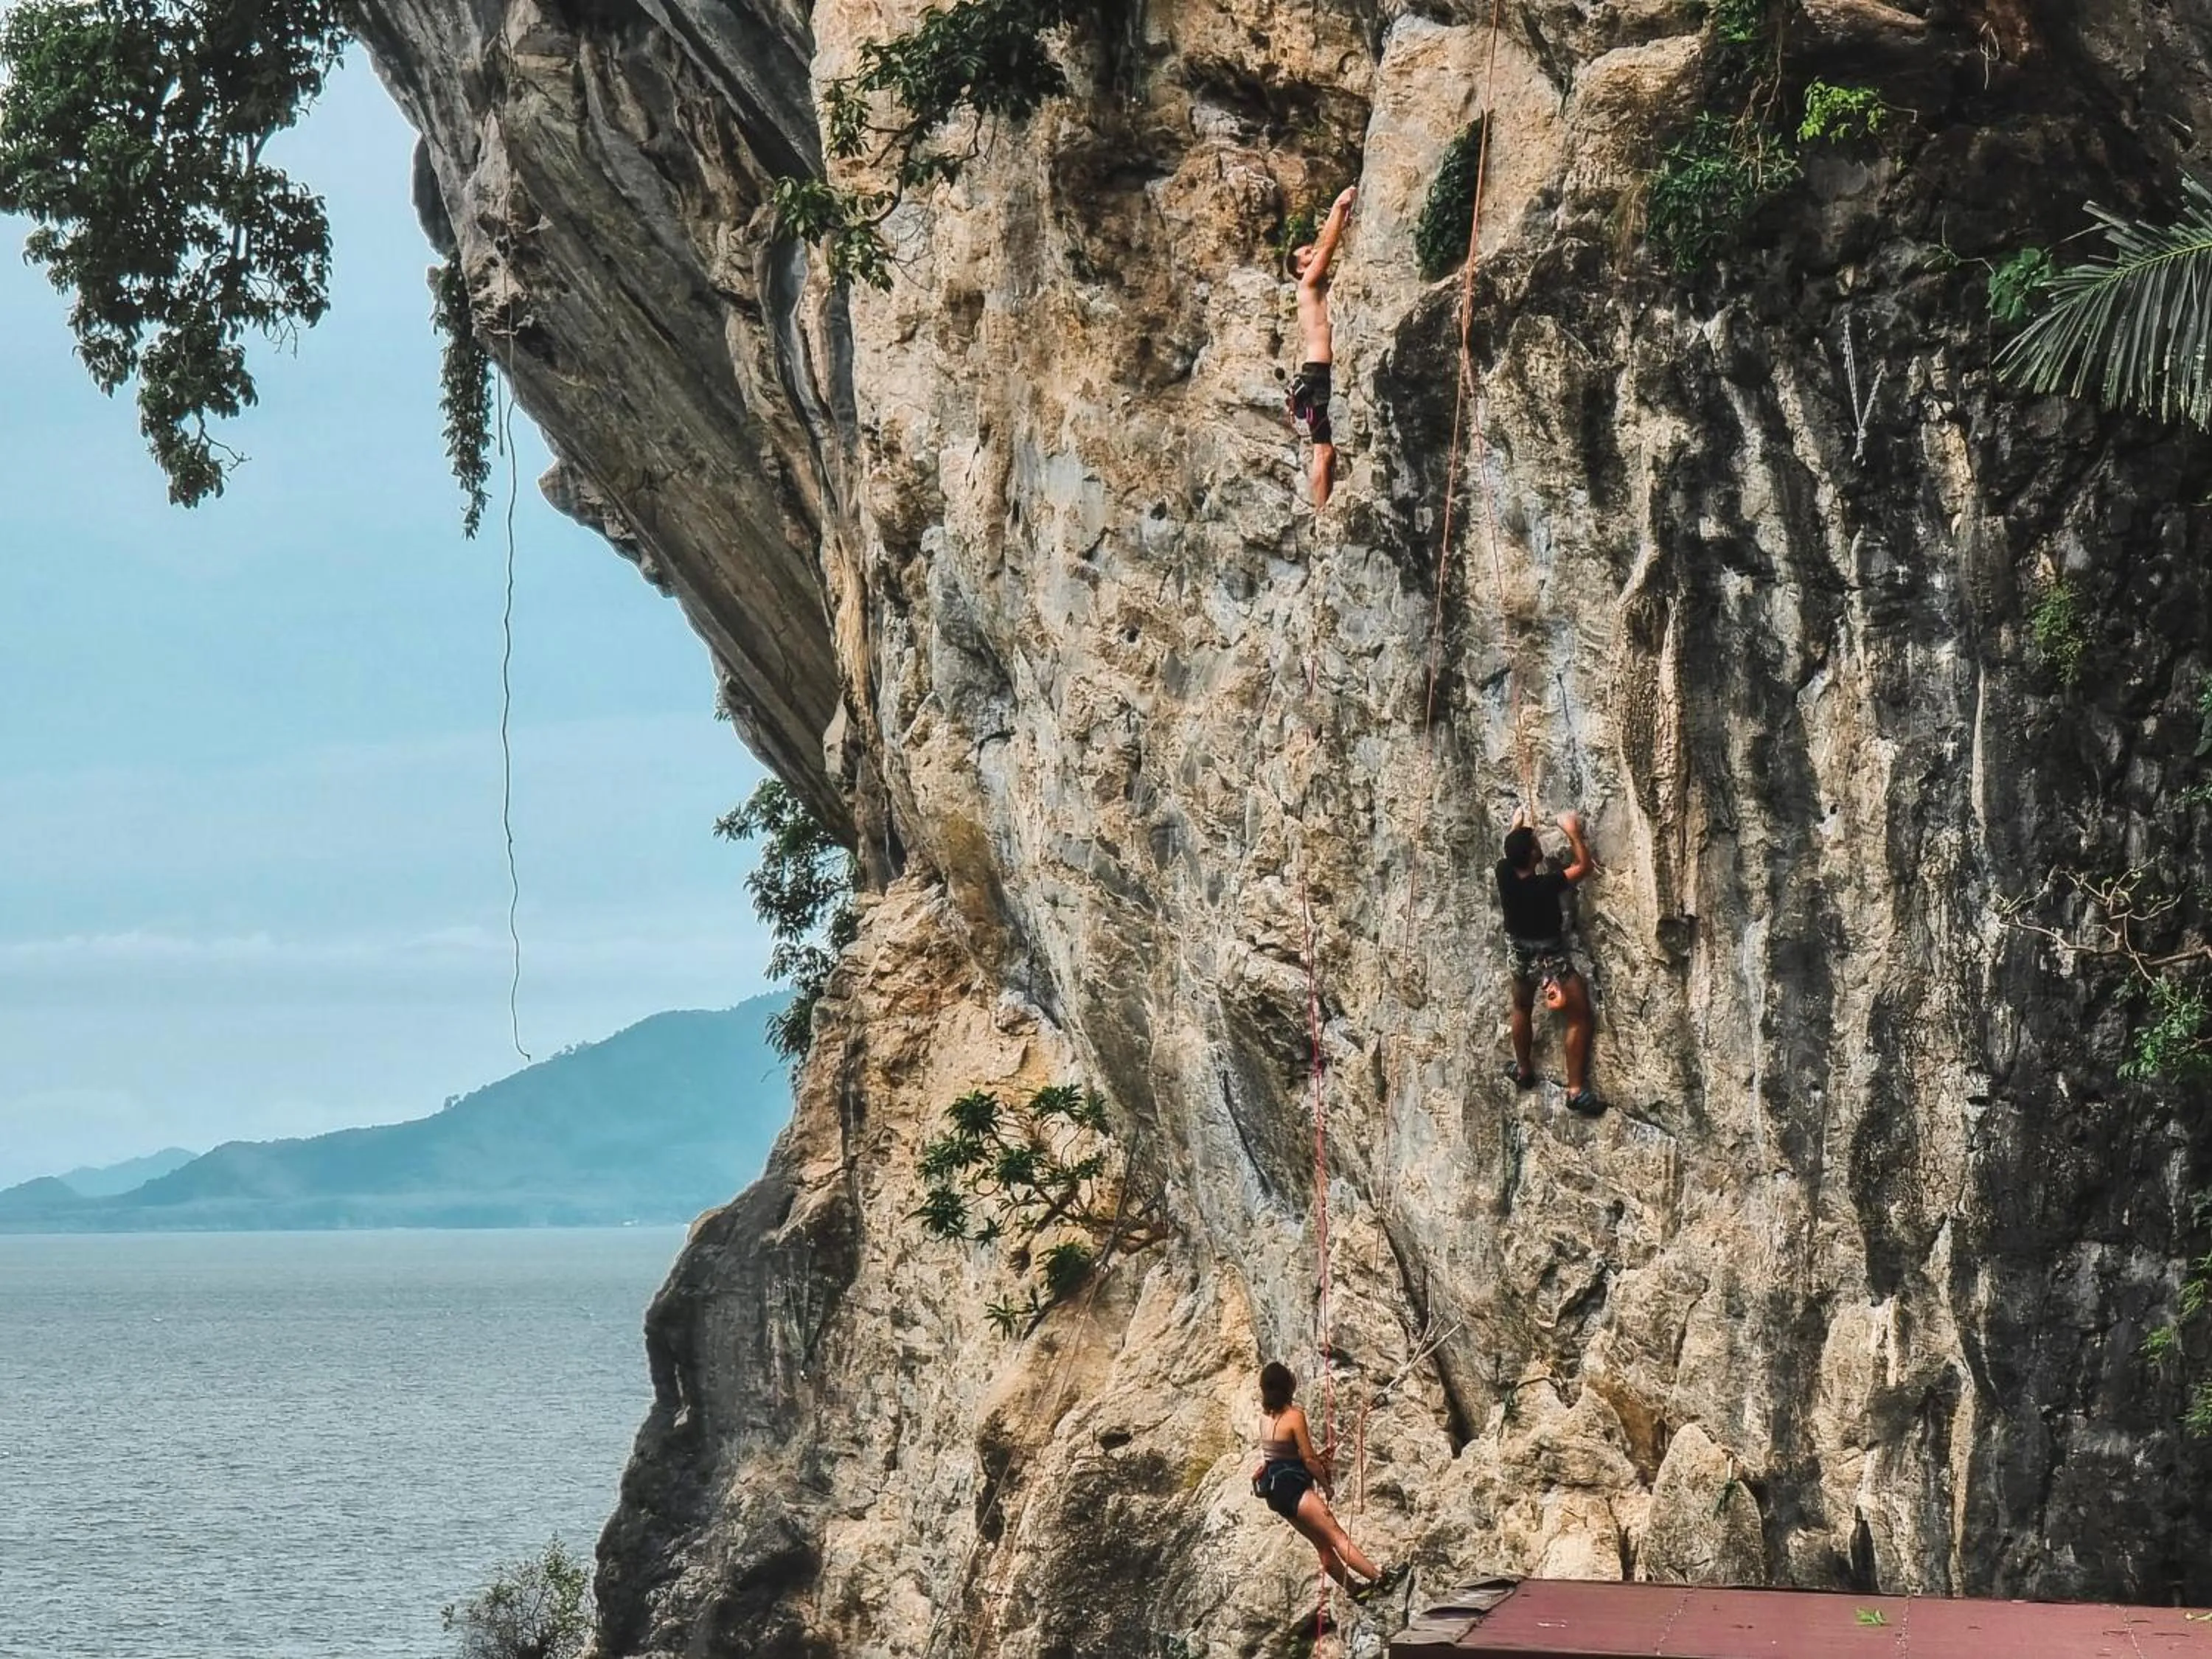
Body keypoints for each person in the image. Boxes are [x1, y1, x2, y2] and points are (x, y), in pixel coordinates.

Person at [1250, 1360, 1404, 1604]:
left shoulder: (1264, 1420)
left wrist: (1315, 1461)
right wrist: (1326, 1485)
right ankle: (1380, 1579)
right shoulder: (1294, 1416)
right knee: (1336, 1536)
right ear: (1288, 1386)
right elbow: (1308, 1459)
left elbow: (1282, 1457)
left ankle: (1355, 1590)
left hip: (1275, 1494)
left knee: (1321, 1546)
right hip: (1295, 1490)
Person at [1496, 807, 1601, 1115]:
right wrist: (1572, 831)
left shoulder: (1504, 871)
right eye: (1536, 846)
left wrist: (1517, 827)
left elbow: (1511, 849)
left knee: (1521, 1007)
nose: (1540, 846)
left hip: (1518, 953)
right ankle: (1576, 1090)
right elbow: (1583, 867)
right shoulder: (1545, 886)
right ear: (1532, 856)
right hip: (1549, 957)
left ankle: (1524, 1070)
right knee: (1579, 1015)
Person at [1284, 186, 1357, 509]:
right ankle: (1322, 512)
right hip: (1316, 378)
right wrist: (1338, 209)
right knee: (1323, 451)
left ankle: (1322, 509)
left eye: (1310, 251)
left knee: (1325, 450)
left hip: (1320, 375)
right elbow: (1327, 250)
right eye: (1306, 255)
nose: (1313, 256)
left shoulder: (1317, 288)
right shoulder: (1306, 284)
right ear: (1300, 268)